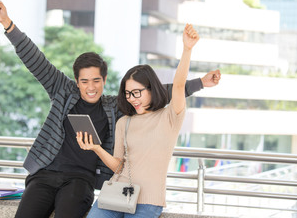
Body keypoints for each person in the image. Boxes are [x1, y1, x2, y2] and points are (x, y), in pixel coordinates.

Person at [0, 1, 220, 218]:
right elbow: (36, 60)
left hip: (79, 180)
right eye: (84, 81)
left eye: (96, 81)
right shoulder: (62, 90)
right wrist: (7, 24)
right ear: (76, 80)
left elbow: (156, 91)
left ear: (105, 79)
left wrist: (199, 83)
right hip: (45, 174)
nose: (91, 88)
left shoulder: (114, 107)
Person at [78, 24, 207, 217]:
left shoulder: (169, 117)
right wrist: (96, 148)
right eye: (128, 93)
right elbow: (118, 166)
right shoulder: (125, 122)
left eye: (136, 92)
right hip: (115, 194)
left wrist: (187, 49)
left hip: (148, 201)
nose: (132, 98)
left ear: (151, 89)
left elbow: (179, 86)